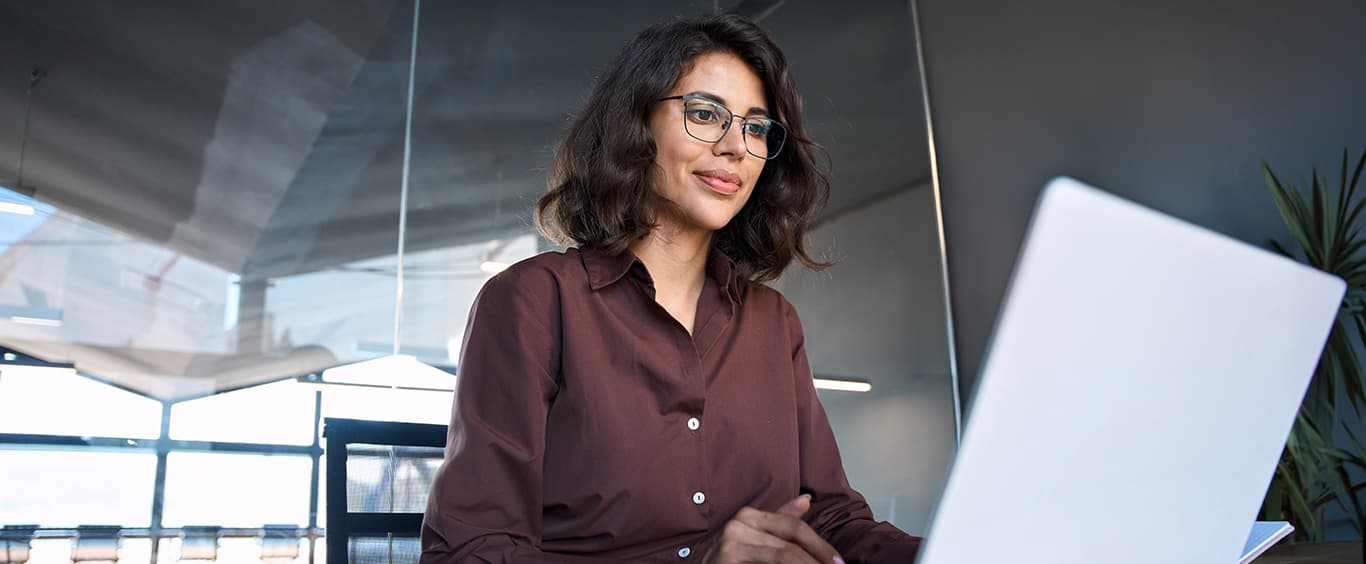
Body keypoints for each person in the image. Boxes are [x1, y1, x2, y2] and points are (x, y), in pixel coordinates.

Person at [420, 13, 923, 564]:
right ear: (635, 125)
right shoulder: (533, 302)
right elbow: (471, 553)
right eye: (705, 114)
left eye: (756, 128)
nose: (736, 147)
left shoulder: (774, 323)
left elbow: (830, 519)